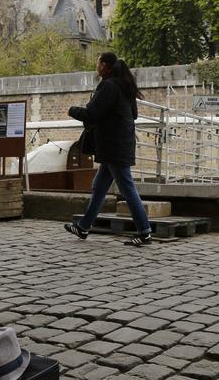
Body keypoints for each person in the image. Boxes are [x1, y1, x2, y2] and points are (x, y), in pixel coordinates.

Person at [63, 52, 153, 247]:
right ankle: (84, 226)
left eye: (98, 63)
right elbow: (134, 114)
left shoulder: (109, 85)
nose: (97, 66)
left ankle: (145, 232)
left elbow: (92, 113)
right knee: (100, 186)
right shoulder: (124, 86)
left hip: (113, 146)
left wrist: (72, 110)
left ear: (104, 65)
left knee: (127, 188)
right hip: (120, 143)